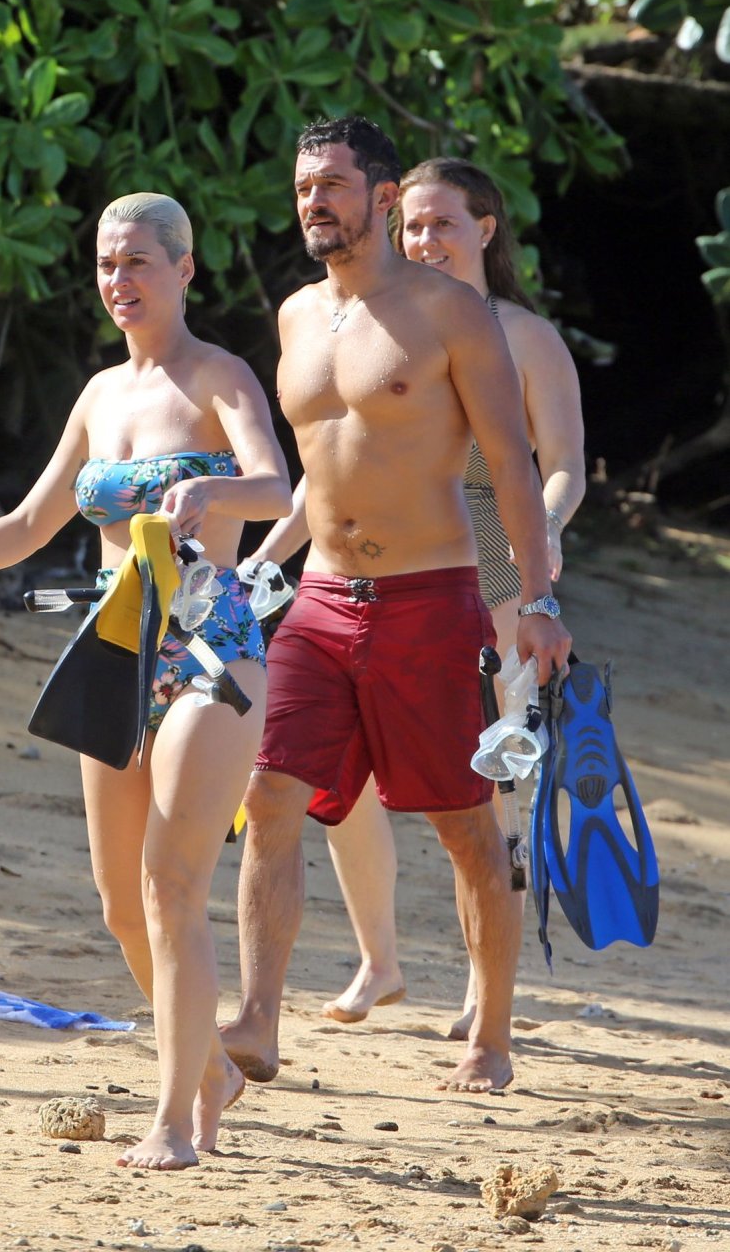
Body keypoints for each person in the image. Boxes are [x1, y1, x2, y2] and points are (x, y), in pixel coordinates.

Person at [0, 192, 292, 1169]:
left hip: (211, 646)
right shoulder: (100, 394)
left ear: (184, 269)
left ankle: (176, 1120)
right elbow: (29, 524)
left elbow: (276, 487)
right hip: (114, 646)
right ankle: (209, 1072)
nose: (119, 280)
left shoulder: (219, 375)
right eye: (107, 263)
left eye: (138, 261)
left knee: (171, 883)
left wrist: (212, 488)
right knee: (120, 903)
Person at [219, 117, 572, 1094]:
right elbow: (323, 469)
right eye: (303, 187)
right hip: (322, 598)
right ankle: (256, 1017)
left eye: (332, 184)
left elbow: (511, 464)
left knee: (464, 825)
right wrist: (261, 568)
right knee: (270, 795)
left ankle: (489, 1037)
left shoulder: (452, 313)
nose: (313, 202)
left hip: (431, 599)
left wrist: (535, 597)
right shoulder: (296, 316)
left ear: (380, 197)